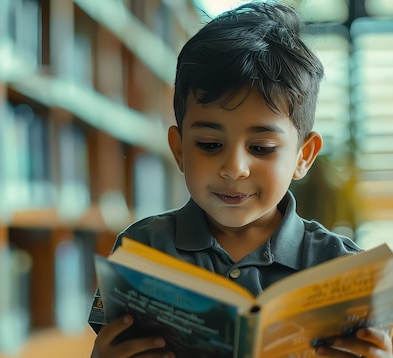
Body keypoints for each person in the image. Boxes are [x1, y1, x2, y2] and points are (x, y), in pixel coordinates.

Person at [88, 1, 393, 357]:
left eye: (262, 148)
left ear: (303, 156)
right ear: (180, 150)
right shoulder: (141, 249)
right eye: (210, 144)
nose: (234, 168)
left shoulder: (342, 271)